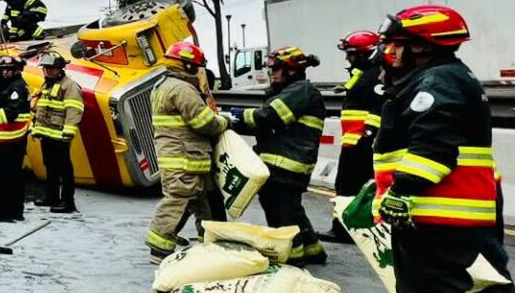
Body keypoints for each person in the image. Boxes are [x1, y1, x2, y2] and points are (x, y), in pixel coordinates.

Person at [375, 5, 515, 293]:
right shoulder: (439, 78)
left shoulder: (437, 83)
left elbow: (433, 148)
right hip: (435, 212)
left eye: (395, 43)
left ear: (421, 45)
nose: (388, 51)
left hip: (437, 213)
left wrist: (402, 192)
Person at [237, 47, 326, 265]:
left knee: (281, 213)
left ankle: (291, 258)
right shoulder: (289, 91)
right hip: (285, 163)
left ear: (292, 70)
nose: (272, 73)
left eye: (276, 69)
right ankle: (313, 250)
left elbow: (270, 117)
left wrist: (236, 115)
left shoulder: (301, 91)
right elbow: (264, 126)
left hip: (287, 165)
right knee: (292, 210)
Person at [146, 42, 230, 259]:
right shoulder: (182, 89)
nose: (199, 71)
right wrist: (224, 122)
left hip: (183, 158)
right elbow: (204, 122)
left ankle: (211, 246)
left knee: (203, 204)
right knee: (178, 201)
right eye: (197, 66)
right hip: (185, 159)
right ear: (187, 66)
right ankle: (159, 249)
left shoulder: (163, 85)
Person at [321, 29, 384, 243]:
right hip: (354, 141)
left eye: (351, 53)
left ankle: (344, 230)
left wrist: (366, 139)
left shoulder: (374, 76)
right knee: (352, 187)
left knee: (348, 187)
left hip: (359, 143)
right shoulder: (364, 74)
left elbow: (377, 110)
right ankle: (353, 228)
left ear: (365, 54)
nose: (348, 58)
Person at [29, 52, 83, 213]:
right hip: (47, 135)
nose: (48, 72)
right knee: (50, 167)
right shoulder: (47, 85)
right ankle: (52, 197)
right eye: (46, 69)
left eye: (51, 69)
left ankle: (68, 202)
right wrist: (36, 128)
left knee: (64, 169)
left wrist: (68, 132)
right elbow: (42, 109)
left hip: (60, 136)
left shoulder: (69, 86)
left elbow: (74, 110)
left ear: (60, 69)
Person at [0, 54, 32, 223]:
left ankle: (4, 213)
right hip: (12, 140)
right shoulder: (13, 86)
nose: (5, 72)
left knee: (5, 178)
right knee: (14, 176)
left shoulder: (16, 88)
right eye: (3, 69)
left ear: (17, 70)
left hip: (10, 141)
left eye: (9, 70)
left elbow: (11, 113)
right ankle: (16, 212)